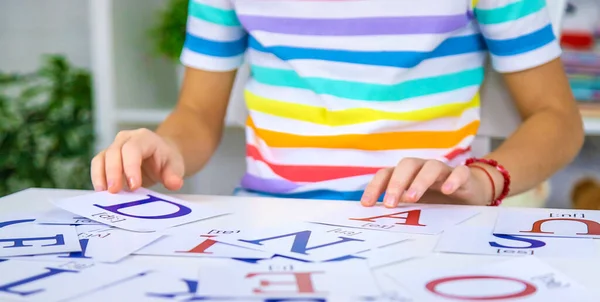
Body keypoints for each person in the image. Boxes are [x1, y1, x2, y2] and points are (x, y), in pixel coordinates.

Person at [90, 0, 584, 208]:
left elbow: (558, 120)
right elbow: (196, 115)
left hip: (428, 225)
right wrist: (166, 145)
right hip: (267, 230)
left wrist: (481, 180)